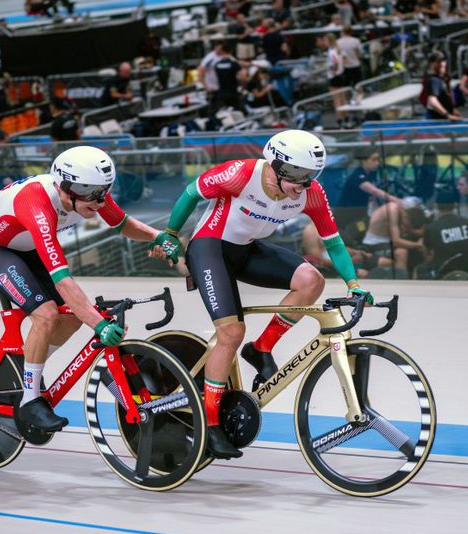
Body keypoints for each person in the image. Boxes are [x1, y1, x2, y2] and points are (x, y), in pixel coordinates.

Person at [157, 130, 372, 459]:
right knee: (231, 333)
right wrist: (171, 233)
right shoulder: (241, 174)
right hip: (209, 248)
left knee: (311, 281)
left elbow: (334, 242)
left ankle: (261, 349)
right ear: (276, 166)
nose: (304, 184)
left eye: (311, 175)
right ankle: (210, 425)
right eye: (298, 175)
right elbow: (191, 192)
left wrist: (354, 284)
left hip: (247, 249)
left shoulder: (310, 193)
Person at [0, 146, 175, 435]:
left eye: (103, 191)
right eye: (89, 192)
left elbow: (122, 224)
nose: (99, 200)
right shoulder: (38, 204)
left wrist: (157, 236)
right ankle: (29, 400)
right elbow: (63, 280)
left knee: (73, 316)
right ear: (63, 187)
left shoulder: (89, 196)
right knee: (46, 315)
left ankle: (27, 369)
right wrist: (99, 325)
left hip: (25, 246)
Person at [415, 188, 468, 279]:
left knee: (419, 269)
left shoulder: (431, 228)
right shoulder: (466, 223)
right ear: (455, 205)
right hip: (466, 267)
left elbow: (427, 252)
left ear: (436, 206)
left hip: (442, 270)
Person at [360, 197, 426, 273]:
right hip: (375, 243)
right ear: (405, 211)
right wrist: (418, 245)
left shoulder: (400, 212)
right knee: (402, 252)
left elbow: (415, 231)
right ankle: (401, 279)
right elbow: (396, 241)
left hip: (387, 241)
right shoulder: (392, 210)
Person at [424, 53, 461, 121]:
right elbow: (433, 101)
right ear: (431, 64)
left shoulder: (443, 77)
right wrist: (448, 115)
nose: (442, 64)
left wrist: (452, 109)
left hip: (444, 117)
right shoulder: (433, 80)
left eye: (443, 61)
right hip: (436, 119)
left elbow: (448, 94)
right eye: (438, 62)